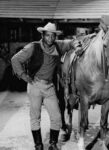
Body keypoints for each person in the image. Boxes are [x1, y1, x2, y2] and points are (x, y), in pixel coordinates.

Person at [11, 22, 82, 150]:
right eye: (47, 35)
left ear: (55, 37)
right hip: (35, 85)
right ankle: (38, 145)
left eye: (53, 36)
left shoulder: (58, 46)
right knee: (35, 117)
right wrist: (23, 76)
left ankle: (53, 144)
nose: (50, 38)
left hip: (49, 86)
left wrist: (76, 46)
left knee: (57, 117)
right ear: (43, 35)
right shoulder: (33, 47)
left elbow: (72, 42)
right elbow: (15, 60)